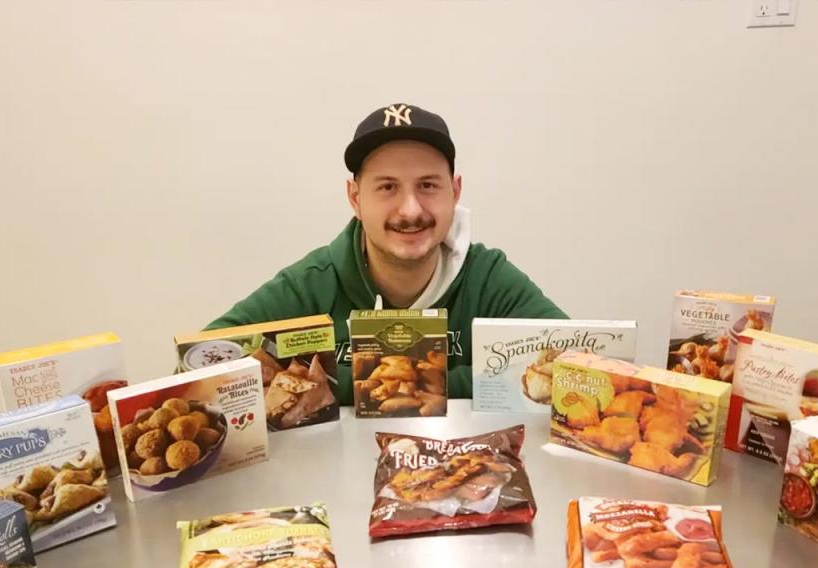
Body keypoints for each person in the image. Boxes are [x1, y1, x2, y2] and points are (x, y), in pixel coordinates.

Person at [207, 103, 566, 403]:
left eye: (427, 185)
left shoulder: (487, 279)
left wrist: (341, 385)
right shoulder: (313, 283)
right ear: (355, 198)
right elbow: (203, 367)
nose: (410, 210)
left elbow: (578, 365)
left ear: (455, 192)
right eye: (387, 187)